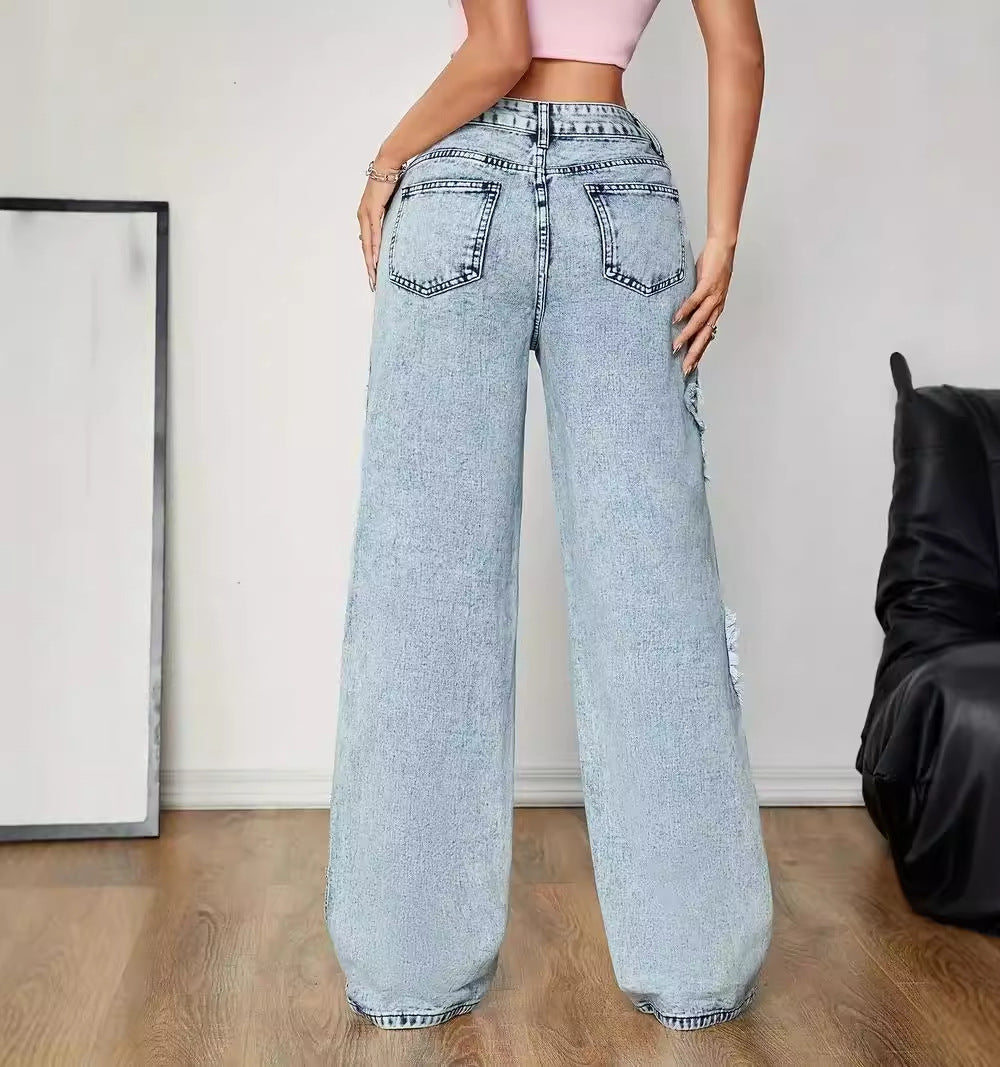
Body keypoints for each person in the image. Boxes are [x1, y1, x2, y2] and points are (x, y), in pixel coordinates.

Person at [325, 0, 772, 1032]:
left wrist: (385, 166)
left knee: (423, 587)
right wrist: (720, 237)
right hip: (622, 189)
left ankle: (407, 965)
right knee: (653, 589)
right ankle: (697, 961)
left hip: (458, 192)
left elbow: (497, 53)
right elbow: (738, 46)